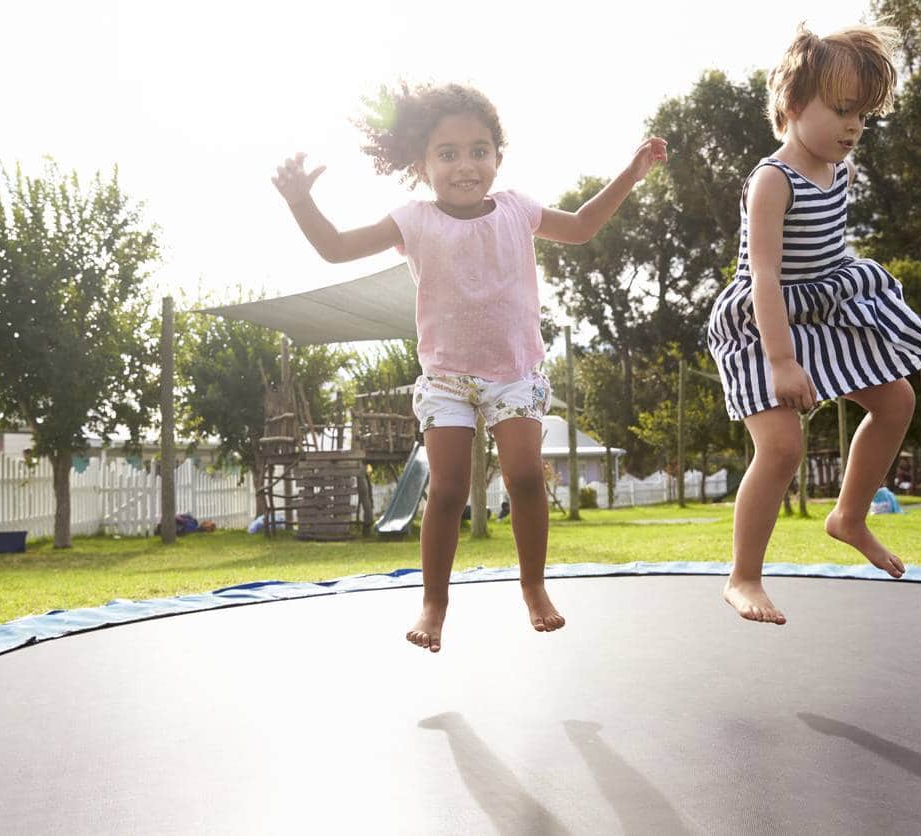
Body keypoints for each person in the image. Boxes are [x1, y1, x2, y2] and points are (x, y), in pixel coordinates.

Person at [272, 82, 667, 651]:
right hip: (446, 379)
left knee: (527, 477)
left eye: (479, 150)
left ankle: (534, 587)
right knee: (450, 488)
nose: (466, 164)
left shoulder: (517, 209)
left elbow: (580, 227)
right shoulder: (413, 220)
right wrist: (300, 202)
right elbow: (335, 247)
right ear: (422, 164)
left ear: (498, 158)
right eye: (448, 153)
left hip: (514, 371)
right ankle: (434, 604)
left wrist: (630, 174)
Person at [706, 26, 921, 625]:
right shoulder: (771, 180)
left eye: (862, 114)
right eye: (841, 110)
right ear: (791, 106)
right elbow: (763, 277)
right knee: (783, 448)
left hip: (822, 308)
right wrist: (782, 361)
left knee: (896, 400)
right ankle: (744, 576)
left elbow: (829, 247)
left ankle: (850, 516)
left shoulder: (842, 170)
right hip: (762, 323)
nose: (853, 126)